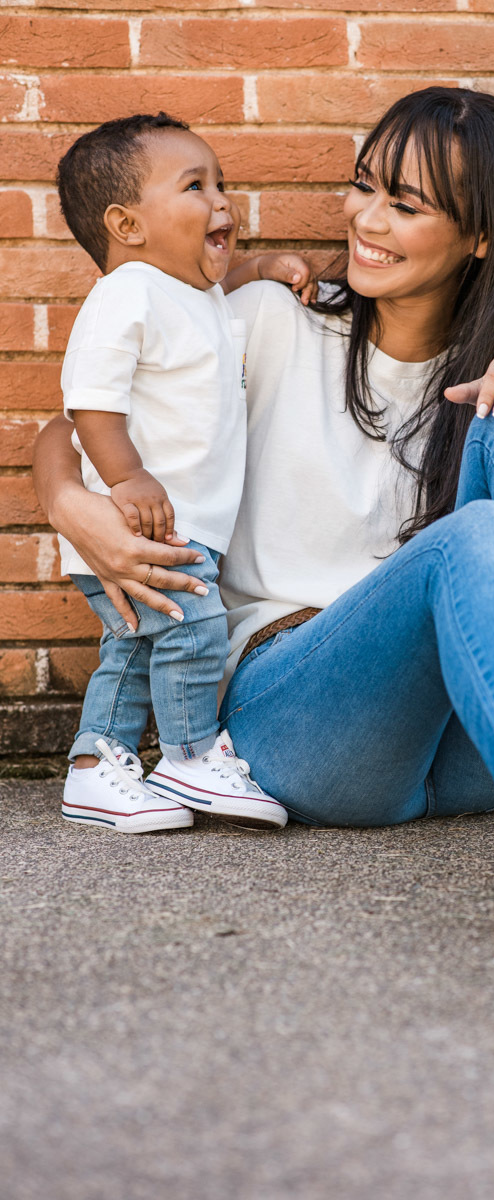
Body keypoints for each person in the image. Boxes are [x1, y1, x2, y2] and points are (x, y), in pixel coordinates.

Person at [35, 88, 494, 969]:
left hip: (465, 738)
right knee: (476, 533)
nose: (365, 220)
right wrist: (74, 506)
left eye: (405, 205)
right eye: (363, 186)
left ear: (480, 236)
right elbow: (75, 425)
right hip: (299, 716)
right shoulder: (269, 320)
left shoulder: (484, 385)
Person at [52, 112, 315, 833]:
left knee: (135, 648)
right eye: (196, 185)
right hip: (136, 526)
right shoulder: (125, 294)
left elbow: (221, 301)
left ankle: (95, 768)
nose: (222, 201)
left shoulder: (189, 296)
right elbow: (90, 403)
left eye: (221, 183)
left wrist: (262, 268)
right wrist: (127, 478)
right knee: (195, 634)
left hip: (182, 523)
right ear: (127, 225)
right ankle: (191, 755)